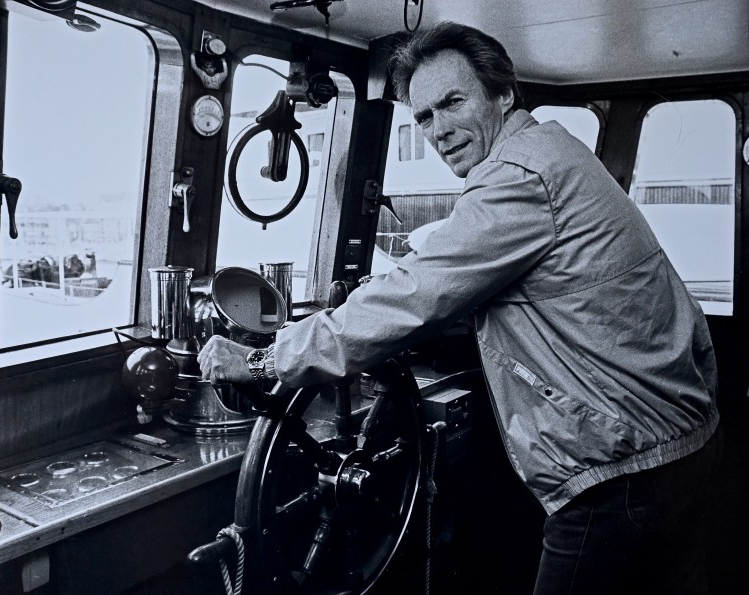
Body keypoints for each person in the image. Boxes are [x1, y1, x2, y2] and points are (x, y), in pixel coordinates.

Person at [199, 21, 721, 594]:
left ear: (502, 94)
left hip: (621, 477)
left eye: (452, 102)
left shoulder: (520, 174)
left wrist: (259, 363)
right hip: (677, 449)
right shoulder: (550, 153)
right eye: (423, 117)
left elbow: (413, 296)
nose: (439, 130)